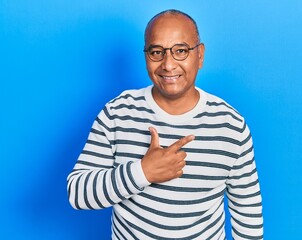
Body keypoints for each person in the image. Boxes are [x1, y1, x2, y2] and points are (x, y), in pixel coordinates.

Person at [67, 9, 263, 240]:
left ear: (199, 55)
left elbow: (247, 208)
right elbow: (78, 194)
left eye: (181, 51)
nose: (168, 65)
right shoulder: (117, 112)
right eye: (156, 52)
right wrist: (143, 171)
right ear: (146, 56)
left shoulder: (230, 125)